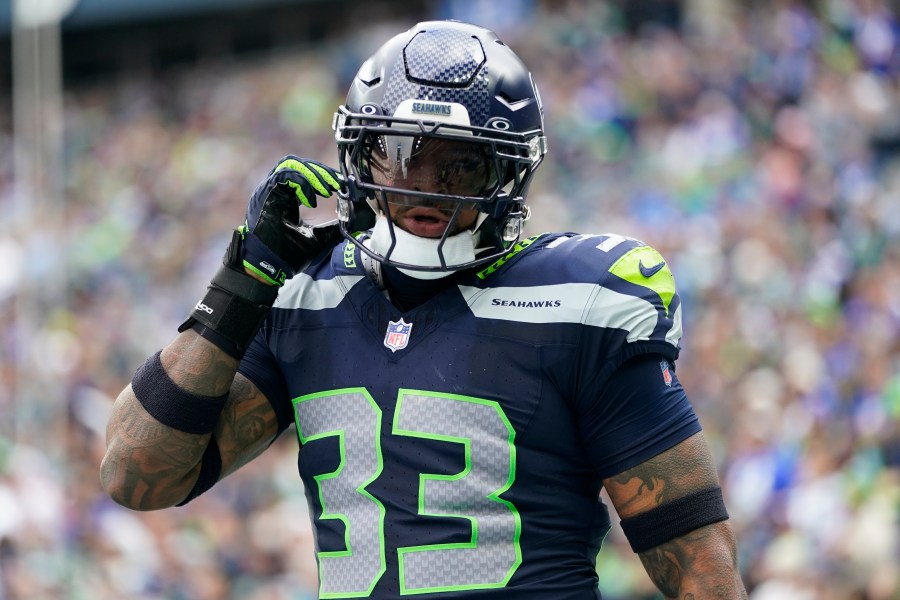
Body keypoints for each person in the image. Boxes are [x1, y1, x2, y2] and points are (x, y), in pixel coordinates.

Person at [101, 19, 748, 599]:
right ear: (358, 157)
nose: (423, 186)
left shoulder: (576, 304)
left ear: (508, 172)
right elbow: (136, 476)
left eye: (459, 165)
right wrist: (242, 285)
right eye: (398, 154)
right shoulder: (307, 296)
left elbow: (700, 570)